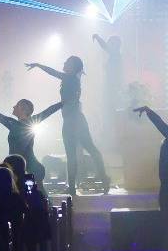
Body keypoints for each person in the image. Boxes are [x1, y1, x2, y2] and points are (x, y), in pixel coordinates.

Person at [26, 56, 109, 193]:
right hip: (73, 119)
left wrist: (39, 65)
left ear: (74, 66)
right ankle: (97, 181)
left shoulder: (70, 79)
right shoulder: (72, 79)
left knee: (78, 153)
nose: (64, 63)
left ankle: (75, 187)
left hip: (73, 120)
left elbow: (54, 73)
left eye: (67, 62)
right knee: (85, 151)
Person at [0, 98, 62, 183]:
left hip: (21, 167)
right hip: (26, 167)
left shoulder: (14, 124)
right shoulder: (20, 123)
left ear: (23, 109)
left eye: (16, 105)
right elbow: (49, 111)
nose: (13, 107)